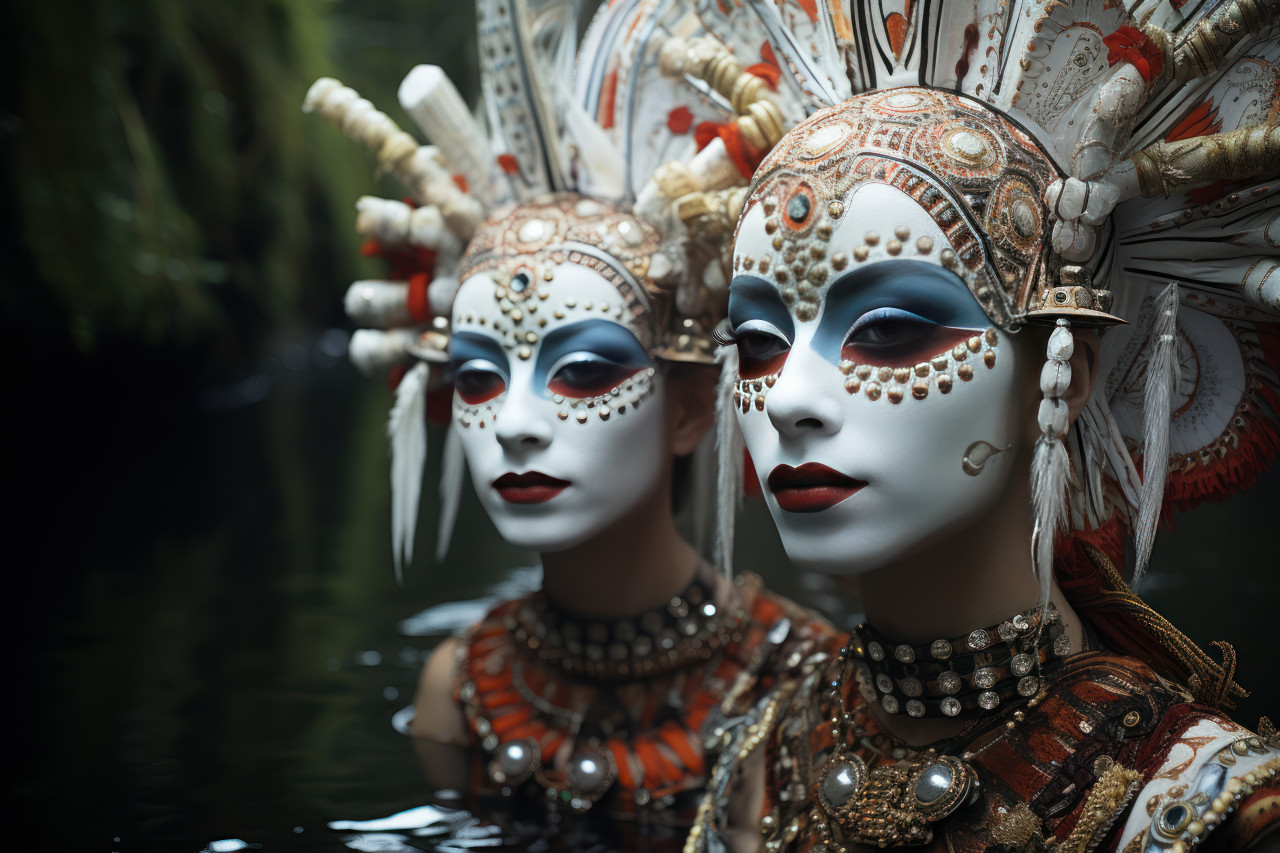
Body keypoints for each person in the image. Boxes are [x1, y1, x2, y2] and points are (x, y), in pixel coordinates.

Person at [682, 0, 1280, 850]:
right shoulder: (765, 753)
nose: (788, 400)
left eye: (887, 330)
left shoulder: (1193, 807)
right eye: (757, 341)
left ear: (1062, 375)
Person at [304, 0, 832, 832]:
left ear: (691, 407)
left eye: (581, 372)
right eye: (477, 378)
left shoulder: (802, 680)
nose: (514, 422)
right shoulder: (461, 686)